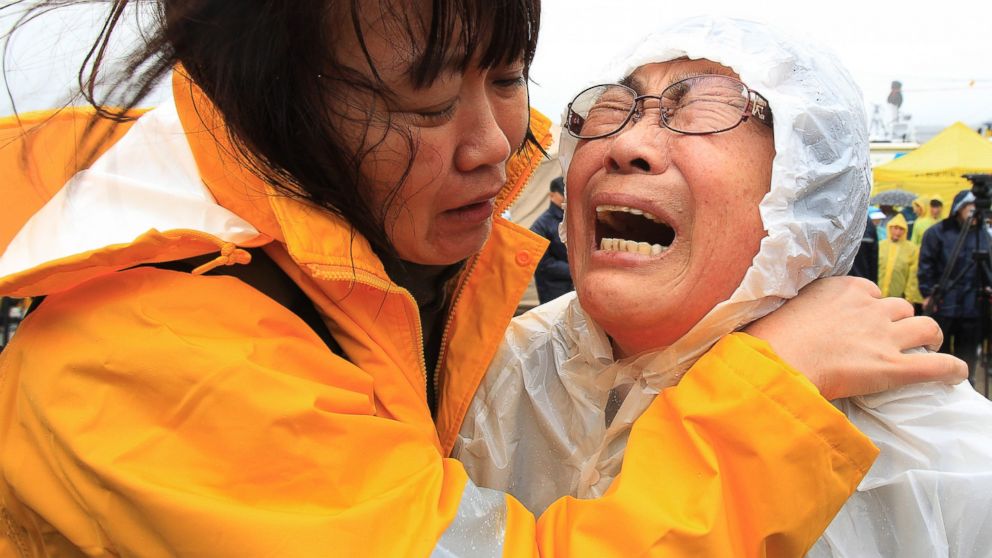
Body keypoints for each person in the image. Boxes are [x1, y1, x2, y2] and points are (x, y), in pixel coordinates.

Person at [0, 4, 963, 556]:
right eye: (423, 98)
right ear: (272, 110)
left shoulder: (934, 448)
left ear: (809, 200)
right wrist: (771, 402)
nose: (504, 143)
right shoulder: (169, 348)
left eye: (509, 77)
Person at [456, 17, 985, 558]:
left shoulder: (938, 456)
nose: (626, 143)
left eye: (702, 112)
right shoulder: (478, 376)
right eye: (612, 110)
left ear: (805, 194)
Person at [919, 189, 983, 382]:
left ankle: (967, 385)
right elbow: (926, 265)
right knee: (942, 352)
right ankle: (943, 386)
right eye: (970, 208)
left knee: (968, 353)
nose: (975, 213)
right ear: (959, 208)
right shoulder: (937, 233)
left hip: (972, 306)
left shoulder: (981, 235)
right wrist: (928, 293)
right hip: (944, 302)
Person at [529, 176, 574, 303]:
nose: (566, 198)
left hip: (574, 286)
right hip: (553, 289)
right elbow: (543, 263)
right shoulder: (541, 224)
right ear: (552, 195)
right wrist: (575, 269)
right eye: (562, 194)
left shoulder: (573, 218)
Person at [877, 213, 923, 302]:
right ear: (889, 228)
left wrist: (909, 298)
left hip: (897, 298)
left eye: (901, 229)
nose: (898, 232)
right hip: (876, 295)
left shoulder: (912, 249)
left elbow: (912, 276)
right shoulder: (880, 246)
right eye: (895, 228)